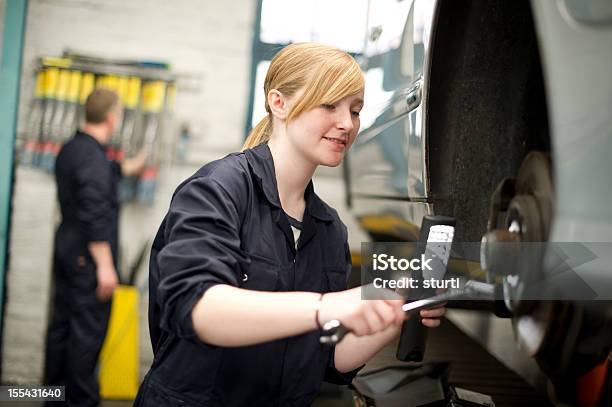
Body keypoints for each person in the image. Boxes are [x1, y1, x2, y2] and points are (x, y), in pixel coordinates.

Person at [135, 43, 445, 407]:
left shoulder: (329, 229)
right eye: (330, 105)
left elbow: (329, 361)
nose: (347, 123)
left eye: (355, 110)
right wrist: (326, 306)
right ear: (278, 103)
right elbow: (198, 307)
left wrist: (391, 309)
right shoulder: (219, 190)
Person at [44, 88, 147, 406]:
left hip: (66, 249)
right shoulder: (93, 158)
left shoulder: (72, 150)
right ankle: (81, 400)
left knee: (62, 325)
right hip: (88, 258)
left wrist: (130, 166)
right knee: (86, 333)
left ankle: (54, 398)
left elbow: (103, 175)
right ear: (112, 118)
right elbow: (94, 211)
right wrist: (105, 265)